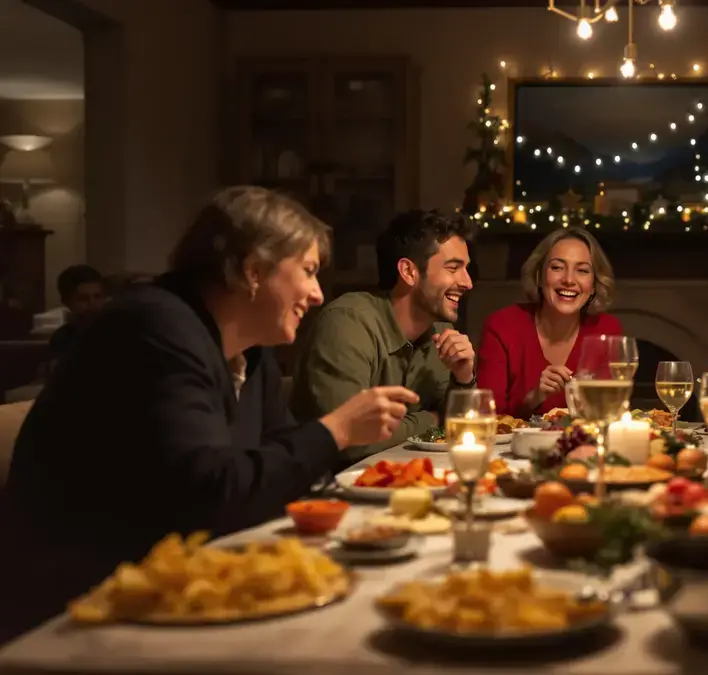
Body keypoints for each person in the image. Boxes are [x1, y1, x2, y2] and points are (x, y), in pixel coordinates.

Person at [0, 186, 420, 644]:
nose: (318, 294)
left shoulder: (249, 351)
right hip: (84, 614)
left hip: (178, 592)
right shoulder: (153, 328)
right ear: (253, 269)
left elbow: (280, 472)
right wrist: (335, 429)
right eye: (308, 271)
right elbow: (210, 493)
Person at [291, 210, 478, 463]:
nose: (468, 283)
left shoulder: (441, 333)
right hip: (327, 492)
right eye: (454, 268)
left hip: (404, 480)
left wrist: (464, 377)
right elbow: (351, 441)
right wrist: (433, 418)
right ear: (409, 272)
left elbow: (465, 431)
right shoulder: (348, 322)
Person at [476, 227, 622, 418]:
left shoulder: (607, 331)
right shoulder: (501, 326)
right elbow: (487, 417)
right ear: (538, 276)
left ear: (594, 285)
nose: (569, 280)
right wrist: (534, 397)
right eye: (557, 267)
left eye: (582, 270)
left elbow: (609, 414)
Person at [46, 264, 107, 365]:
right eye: (83, 298)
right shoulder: (62, 338)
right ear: (66, 302)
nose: (92, 303)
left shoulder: (118, 333)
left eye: (97, 296)